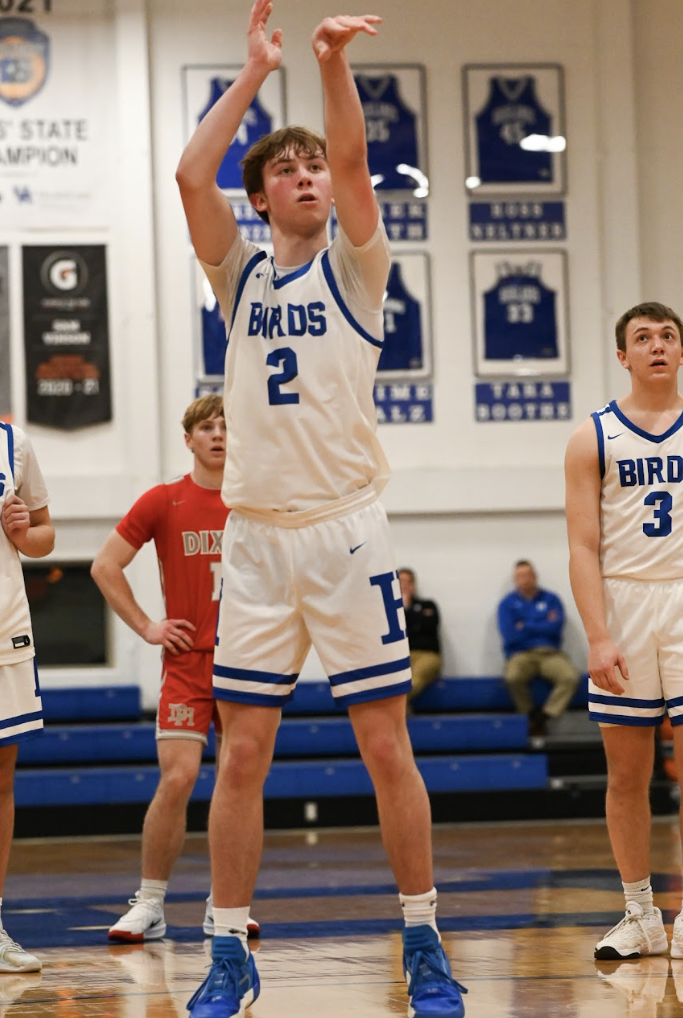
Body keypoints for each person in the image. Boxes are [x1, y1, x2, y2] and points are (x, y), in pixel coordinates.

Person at [175, 4, 467, 1017]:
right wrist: (253, 74)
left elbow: (351, 161)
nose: (307, 177)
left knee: (386, 746)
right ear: (260, 197)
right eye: (286, 170)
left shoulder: (356, 265)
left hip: (345, 527)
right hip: (254, 538)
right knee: (242, 753)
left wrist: (330, 64)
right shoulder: (237, 274)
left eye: (312, 169)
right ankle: (226, 951)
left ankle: (423, 938)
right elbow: (187, 175)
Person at [91, 395, 258, 943]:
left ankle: (224, 905)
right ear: (188, 439)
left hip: (246, 662)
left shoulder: (256, 501)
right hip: (187, 663)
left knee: (239, 783)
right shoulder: (164, 501)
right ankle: (151, 902)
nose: (217, 435)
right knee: (179, 777)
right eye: (206, 427)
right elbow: (105, 565)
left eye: (226, 427)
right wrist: (146, 626)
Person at [565, 301, 683, 960]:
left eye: (668, 335)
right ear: (623, 356)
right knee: (626, 775)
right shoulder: (593, 436)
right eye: (644, 337)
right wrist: (598, 634)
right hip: (627, 603)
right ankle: (639, 914)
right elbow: (583, 547)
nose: (658, 346)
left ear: (682, 351)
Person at [0, 421, 54, 973]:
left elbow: (44, 536)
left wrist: (21, 532)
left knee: (0, 780)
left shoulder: (12, 442)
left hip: (3, 633)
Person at [497, 559, 579, 737]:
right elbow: (510, 634)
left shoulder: (551, 599)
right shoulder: (507, 604)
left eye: (527, 574)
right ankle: (529, 715)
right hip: (521, 653)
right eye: (519, 576)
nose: (524, 579)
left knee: (570, 677)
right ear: (514, 579)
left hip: (549, 652)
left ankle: (545, 716)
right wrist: (541, 622)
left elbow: (555, 627)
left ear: (534, 576)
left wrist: (524, 625)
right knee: (512, 677)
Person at [398, 568, 442, 704]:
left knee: (416, 675)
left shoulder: (428, 605)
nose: (404, 586)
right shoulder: (388, 612)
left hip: (427, 655)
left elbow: (430, 625)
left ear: (414, 585)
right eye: (401, 582)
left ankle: (399, 704)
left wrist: (407, 611)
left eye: (408, 582)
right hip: (401, 656)